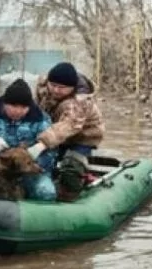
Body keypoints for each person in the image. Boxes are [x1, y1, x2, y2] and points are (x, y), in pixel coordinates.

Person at [28, 62, 104, 201]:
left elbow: (68, 126)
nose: (56, 90)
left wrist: (42, 144)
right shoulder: (43, 87)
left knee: (70, 168)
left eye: (62, 88)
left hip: (82, 136)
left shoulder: (81, 102)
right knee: (38, 163)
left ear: (72, 87)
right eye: (53, 85)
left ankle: (70, 194)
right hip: (52, 131)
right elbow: (34, 110)